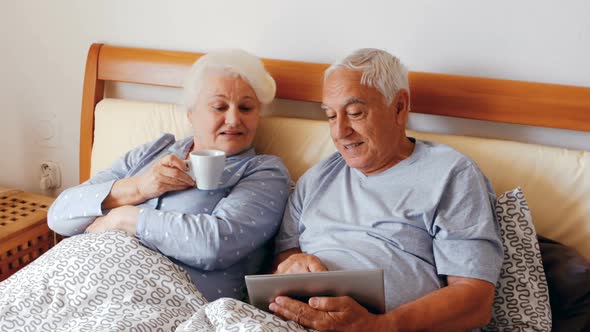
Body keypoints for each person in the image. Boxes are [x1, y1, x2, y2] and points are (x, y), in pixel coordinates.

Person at [270, 49, 503, 331]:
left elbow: (475, 300)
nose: (340, 131)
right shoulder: (316, 179)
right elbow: (281, 261)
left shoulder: (450, 175)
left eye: (355, 113)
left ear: (399, 107)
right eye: (331, 116)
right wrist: (292, 265)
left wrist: (380, 326)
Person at [48, 49, 291, 302]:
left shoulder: (263, 172)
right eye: (219, 106)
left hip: (157, 301)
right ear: (191, 114)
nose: (233, 119)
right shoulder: (153, 152)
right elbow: (59, 216)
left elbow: (216, 244)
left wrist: (124, 218)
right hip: (75, 278)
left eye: (246, 108)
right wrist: (139, 188)